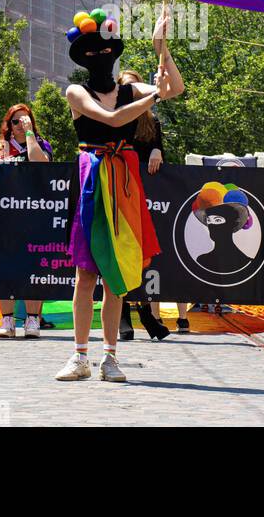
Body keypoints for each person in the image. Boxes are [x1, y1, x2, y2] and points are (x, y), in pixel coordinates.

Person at [55, 6, 183, 382]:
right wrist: (152, 97)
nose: (99, 57)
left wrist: (163, 47)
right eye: (90, 52)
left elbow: (174, 88)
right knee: (86, 274)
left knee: (116, 276)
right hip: (93, 180)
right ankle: (79, 356)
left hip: (124, 183)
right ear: (81, 57)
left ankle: (110, 357)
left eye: (105, 51)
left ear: (115, 53)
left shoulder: (127, 89)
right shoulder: (76, 91)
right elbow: (111, 120)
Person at [114, 69, 174, 340]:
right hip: (117, 189)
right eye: (127, 87)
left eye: (136, 86)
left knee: (142, 256)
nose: (132, 92)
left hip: (142, 194)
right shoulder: (113, 116)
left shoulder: (151, 120)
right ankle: (123, 315)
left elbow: (157, 148)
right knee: (120, 253)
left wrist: (157, 149)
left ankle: (147, 314)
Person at [0, 102, 52, 339]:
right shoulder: (0, 148)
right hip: (5, 217)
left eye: (25, 120)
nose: (19, 125)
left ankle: (33, 320)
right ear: (8, 124)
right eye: (15, 121)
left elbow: (41, 164)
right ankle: (8, 321)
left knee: (34, 268)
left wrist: (29, 135)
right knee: (3, 268)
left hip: (35, 214)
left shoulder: (41, 144)